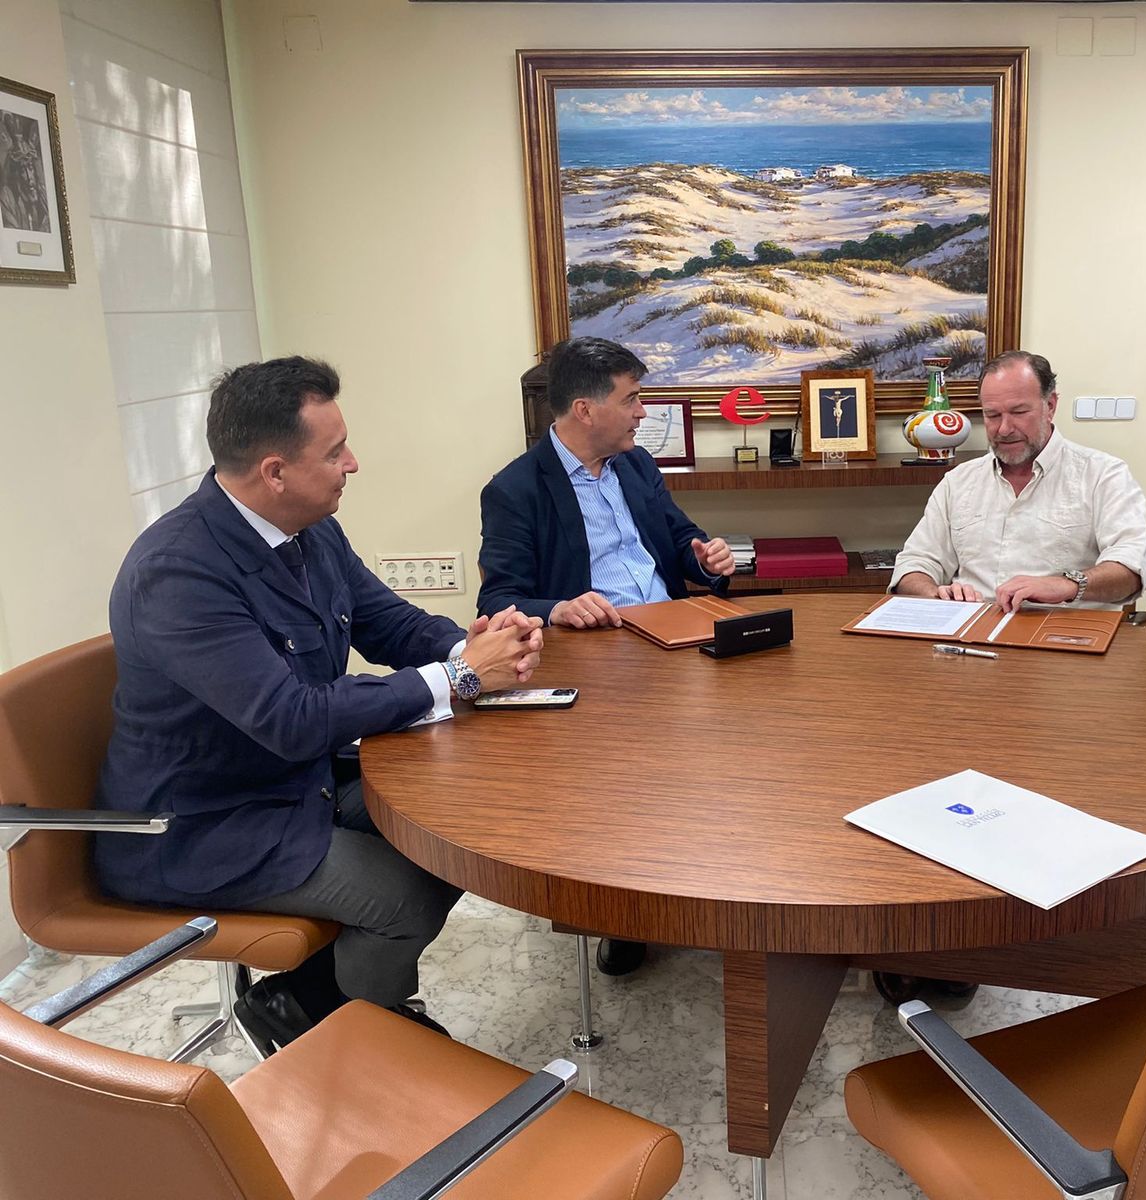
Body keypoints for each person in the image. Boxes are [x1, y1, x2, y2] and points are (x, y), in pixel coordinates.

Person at [95, 356, 543, 1050]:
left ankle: (302, 1002)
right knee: (403, 898)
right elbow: (291, 717)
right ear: (274, 471)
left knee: (462, 829)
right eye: (335, 453)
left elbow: (389, 624)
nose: (353, 464)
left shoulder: (310, 529)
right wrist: (456, 678)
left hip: (292, 786)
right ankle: (356, 1042)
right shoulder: (178, 572)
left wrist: (476, 644)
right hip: (201, 825)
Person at [478, 335, 734, 975]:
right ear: (585, 409)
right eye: (633, 398)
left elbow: (677, 540)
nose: (643, 412)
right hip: (601, 656)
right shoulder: (515, 489)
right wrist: (556, 607)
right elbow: (501, 597)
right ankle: (625, 912)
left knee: (730, 756)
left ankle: (716, 882)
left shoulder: (637, 466)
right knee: (626, 791)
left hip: (675, 633)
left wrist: (707, 557)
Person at [890, 350, 1146, 613]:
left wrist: (1067, 585)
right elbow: (914, 564)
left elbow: (1133, 568)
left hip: (1065, 635)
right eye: (992, 415)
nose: (1004, 429)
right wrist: (936, 594)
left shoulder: (1103, 475)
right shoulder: (959, 481)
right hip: (972, 630)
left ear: (1050, 405)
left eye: (1018, 412)